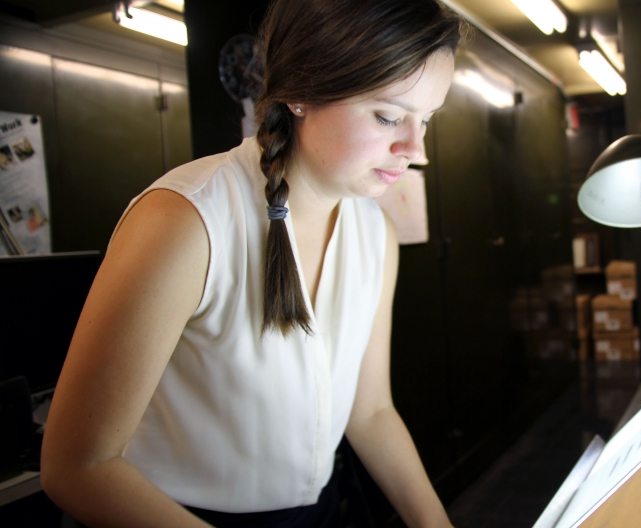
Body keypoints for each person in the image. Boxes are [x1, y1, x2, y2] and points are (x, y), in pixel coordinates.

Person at [40, 1, 464, 526]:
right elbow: (79, 466)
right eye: (388, 116)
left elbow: (371, 411)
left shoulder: (375, 233)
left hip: (317, 511)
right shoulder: (186, 220)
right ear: (302, 92)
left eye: (427, 119)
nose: (415, 148)